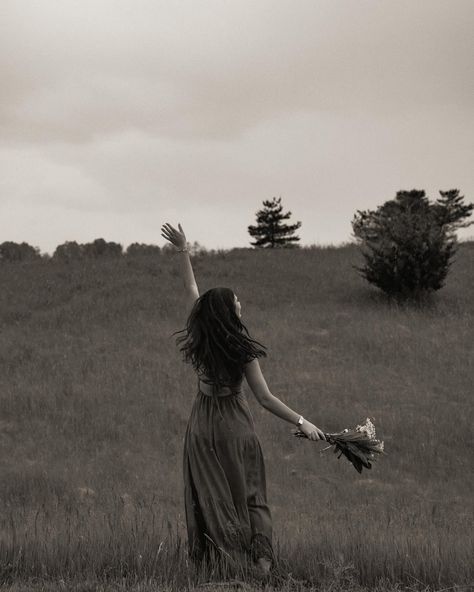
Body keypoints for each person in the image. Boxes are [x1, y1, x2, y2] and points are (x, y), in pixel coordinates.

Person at [160, 222, 327, 580]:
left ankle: (221, 564)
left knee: (211, 495)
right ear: (230, 311)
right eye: (236, 300)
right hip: (234, 426)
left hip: (202, 427)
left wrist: (183, 249)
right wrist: (303, 422)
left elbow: (191, 289)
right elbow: (265, 398)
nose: (240, 301)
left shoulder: (201, 337)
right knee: (250, 494)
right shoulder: (241, 350)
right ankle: (260, 566)